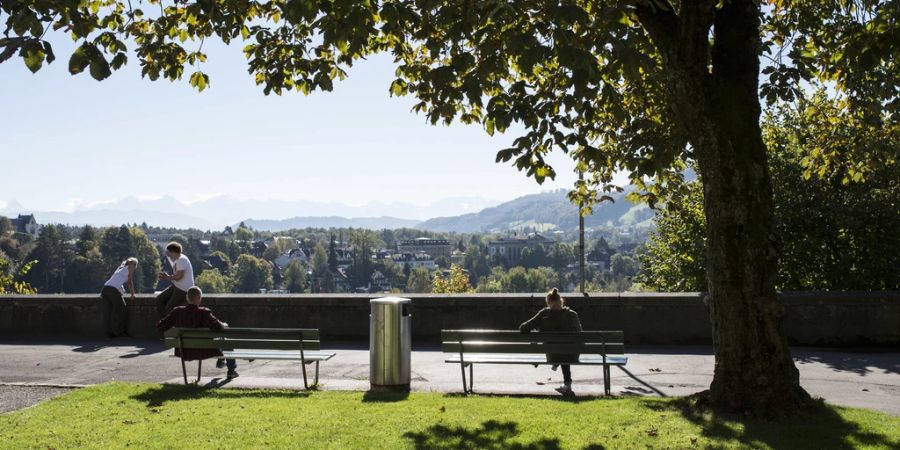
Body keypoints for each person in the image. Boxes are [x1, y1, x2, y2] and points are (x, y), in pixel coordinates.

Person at [157, 286, 238, 379]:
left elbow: (161, 326)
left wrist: (174, 328)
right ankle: (230, 369)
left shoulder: (177, 312)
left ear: (187, 298)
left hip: (183, 351)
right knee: (225, 339)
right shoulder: (204, 313)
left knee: (220, 339)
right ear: (199, 298)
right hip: (204, 350)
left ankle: (221, 359)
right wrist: (224, 324)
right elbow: (218, 327)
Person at [519, 288, 583, 393]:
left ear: (549, 302)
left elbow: (523, 328)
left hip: (552, 354)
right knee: (564, 348)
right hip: (571, 355)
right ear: (560, 300)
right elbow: (581, 335)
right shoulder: (572, 314)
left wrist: (539, 328)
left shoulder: (544, 314)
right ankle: (567, 384)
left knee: (558, 349)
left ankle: (556, 363)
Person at [101, 257, 138, 338]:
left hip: (105, 289)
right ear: (130, 264)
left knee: (108, 313)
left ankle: (109, 334)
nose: (135, 267)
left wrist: (122, 291)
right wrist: (132, 294)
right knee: (123, 311)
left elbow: (116, 281)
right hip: (113, 290)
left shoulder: (120, 268)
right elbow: (129, 282)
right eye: (135, 264)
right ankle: (120, 332)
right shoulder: (129, 268)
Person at [156, 241, 194, 319]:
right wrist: (167, 277)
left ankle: (169, 327)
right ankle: (164, 322)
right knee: (159, 299)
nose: (168, 255)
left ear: (173, 252)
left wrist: (167, 277)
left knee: (169, 309)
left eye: (168, 252)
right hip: (177, 286)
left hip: (183, 289)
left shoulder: (181, 259)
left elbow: (179, 277)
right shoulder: (177, 259)